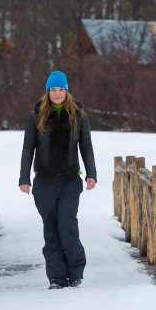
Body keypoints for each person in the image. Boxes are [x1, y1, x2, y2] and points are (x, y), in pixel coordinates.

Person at [19, 70, 97, 289]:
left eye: (60, 89)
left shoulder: (78, 115)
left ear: (66, 91)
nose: (57, 93)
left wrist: (92, 173)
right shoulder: (36, 115)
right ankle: (56, 277)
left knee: (67, 225)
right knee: (51, 230)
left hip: (70, 181)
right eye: (53, 89)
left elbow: (86, 147)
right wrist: (24, 177)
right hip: (44, 182)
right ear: (47, 91)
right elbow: (28, 148)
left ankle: (75, 272)